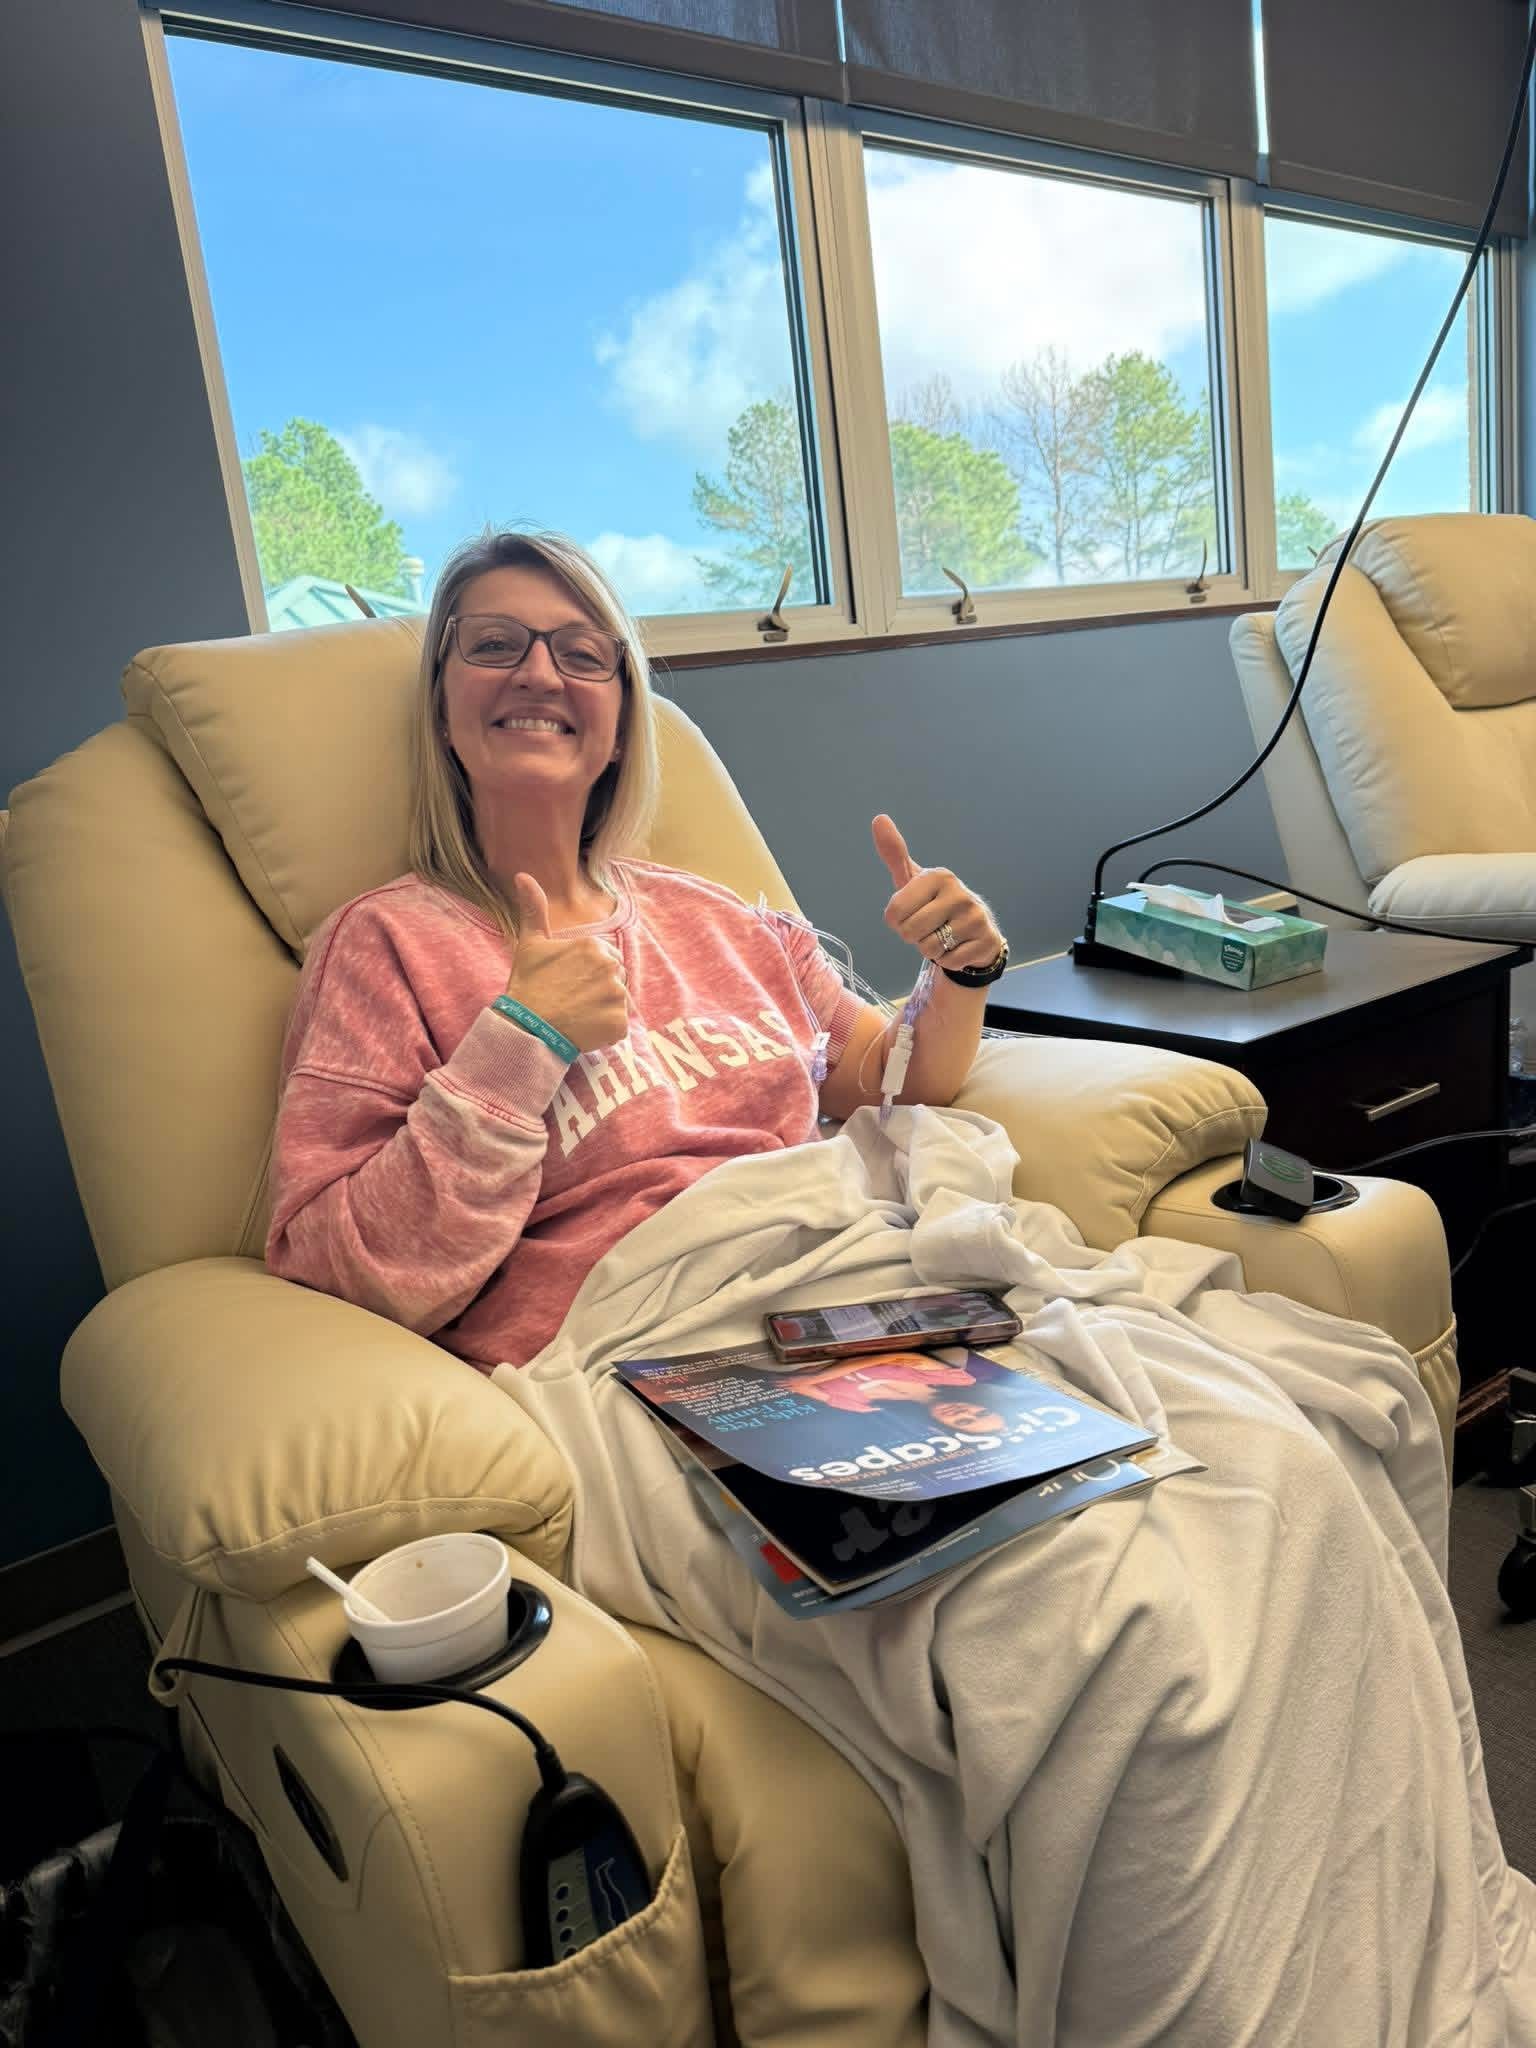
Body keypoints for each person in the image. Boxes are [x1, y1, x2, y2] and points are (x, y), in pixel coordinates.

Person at [265, 528, 1011, 1373]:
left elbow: (891, 1080)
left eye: (582, 655)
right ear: (441, 708)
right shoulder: (386, 945)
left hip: (859, 1295)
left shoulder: (721, 918)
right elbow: (342, 1271)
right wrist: (520, 1043)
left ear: (622, 723)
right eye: (494, 645)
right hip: (661, 1357)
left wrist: (961, 969)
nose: (538, 673)